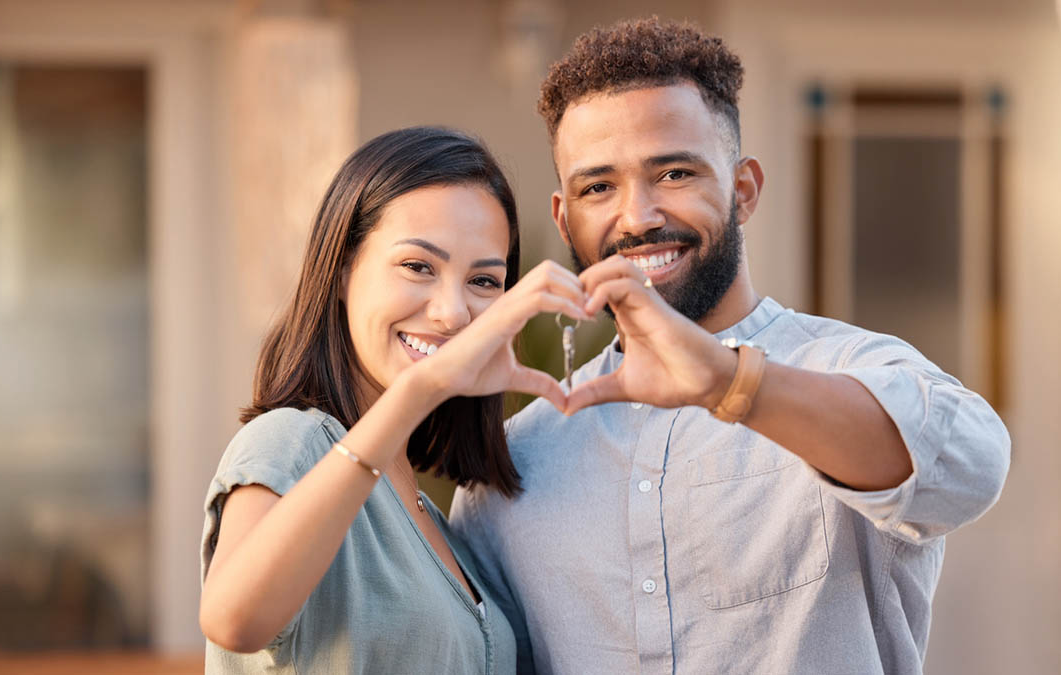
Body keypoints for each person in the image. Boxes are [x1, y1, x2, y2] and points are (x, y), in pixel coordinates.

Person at [449, 17, 1011, 674]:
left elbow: (969, 466)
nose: (637, 217)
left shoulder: (850, 370)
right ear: (564, 216)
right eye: (598, 186)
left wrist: (728, 381)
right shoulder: (512, 466)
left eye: (675, 172)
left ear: (742, 190)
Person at [198, 126, 590, 673]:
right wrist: (420, 389)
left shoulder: (431, 513)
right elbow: (234, 620)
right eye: (418, 267)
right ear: (341, 271)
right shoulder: (291, 441)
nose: (452, 313)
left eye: (483, 281)